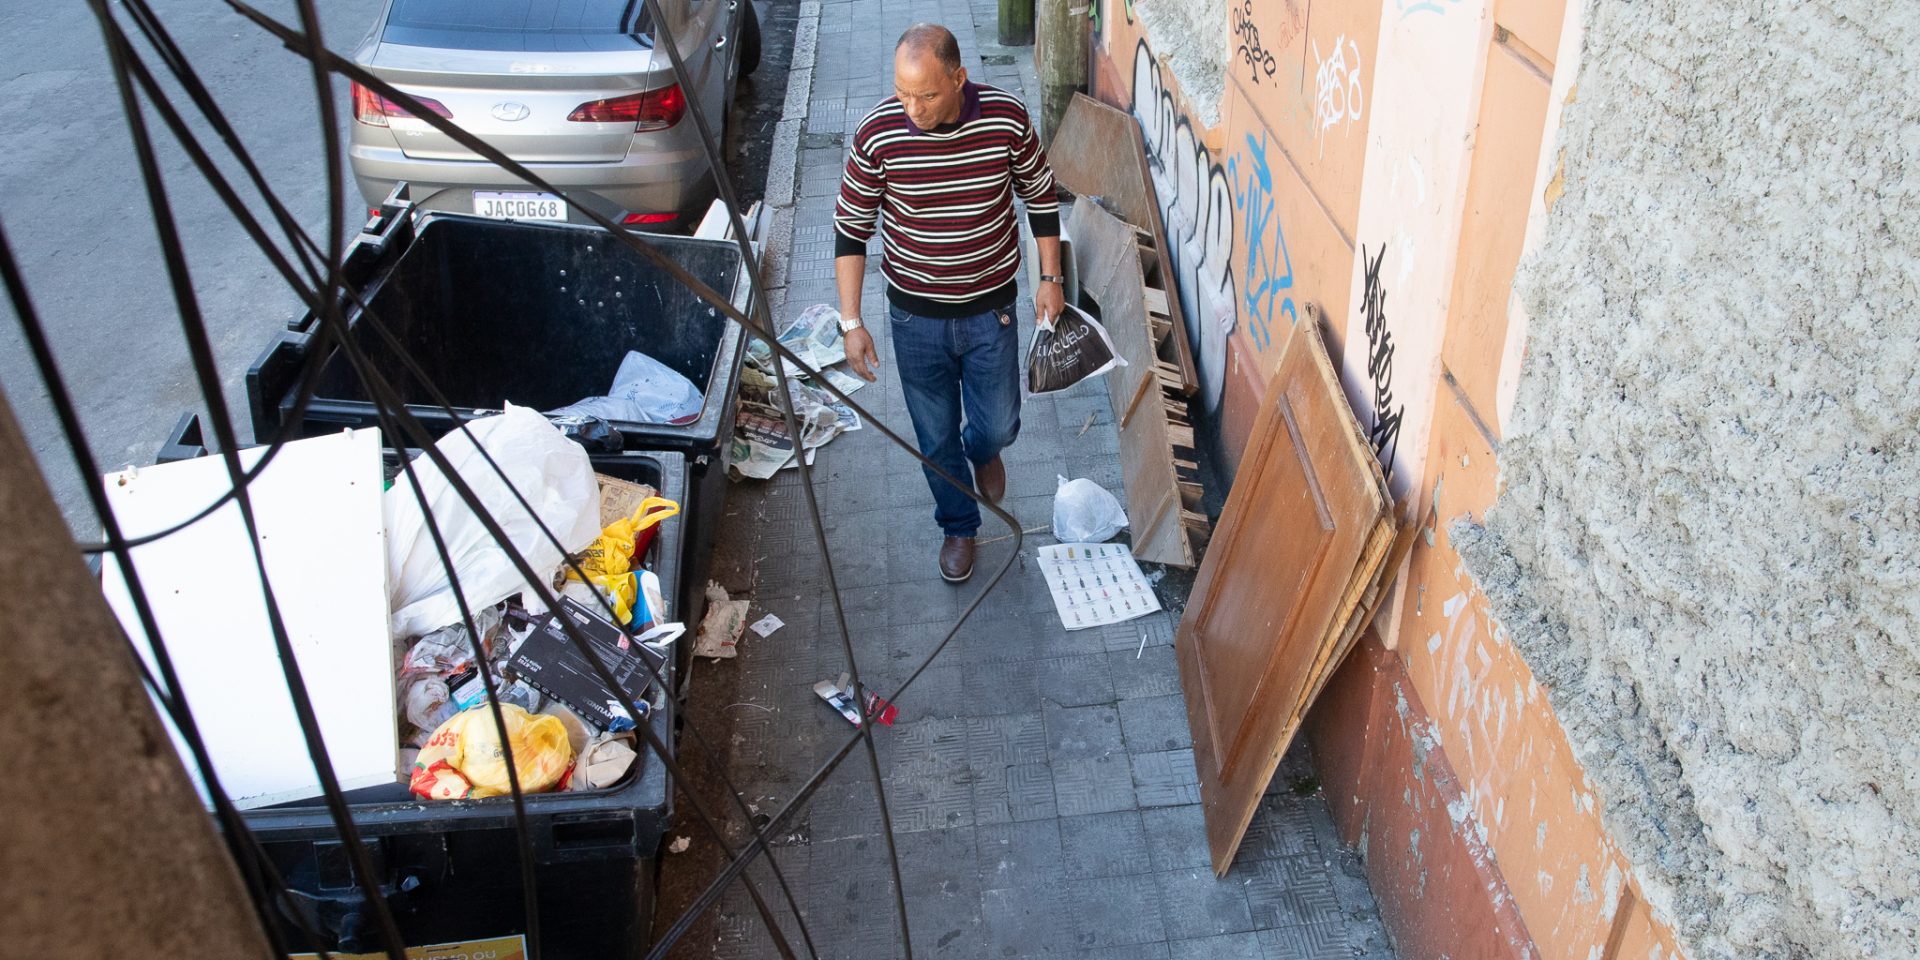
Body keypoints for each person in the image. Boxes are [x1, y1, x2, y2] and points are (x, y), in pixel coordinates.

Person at [833, 22, 1065, 583]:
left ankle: (983, 450)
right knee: (935, 437)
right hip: (915, 317)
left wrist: (1051, 277)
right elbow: (851, 228)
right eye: (902, 93)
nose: (912, 109)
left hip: (991, 309)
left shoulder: (1006, 118)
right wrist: (851, 321)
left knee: (998, 425)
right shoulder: (877, 133)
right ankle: (958, 525)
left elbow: (1040, 195)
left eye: (927, 95)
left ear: (959, 78)